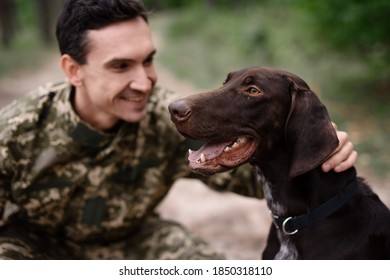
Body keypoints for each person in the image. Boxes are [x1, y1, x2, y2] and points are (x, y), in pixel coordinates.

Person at [0, 0, 357, 260]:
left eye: (148, 60)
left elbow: (261, 167)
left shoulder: (167, 118)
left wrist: (318, 150)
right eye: (121, 66)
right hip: (35, 249)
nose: (143, 82)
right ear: (73, 70)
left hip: (134, 241)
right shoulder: (14, 133)